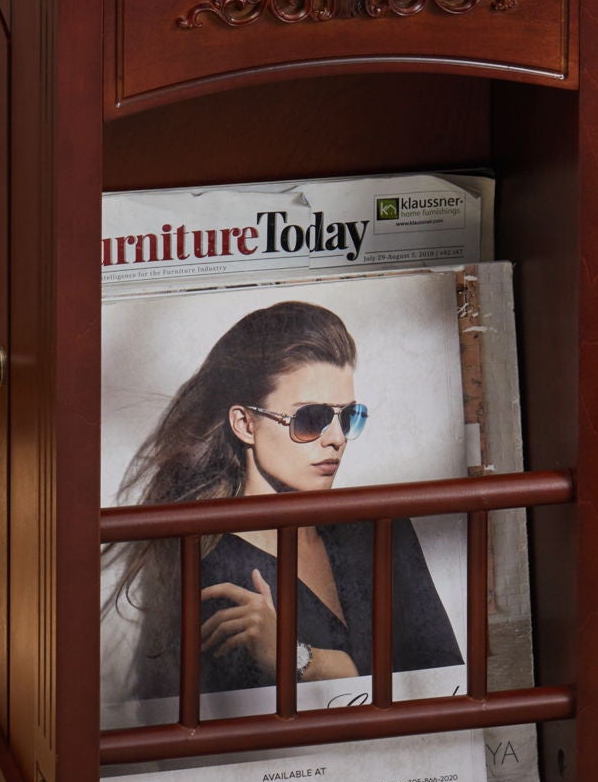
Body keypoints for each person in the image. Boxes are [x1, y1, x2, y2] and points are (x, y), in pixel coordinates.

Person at [104, 299, 462, 704]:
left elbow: (445, 679)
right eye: (310, 418)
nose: (336, 438)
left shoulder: (381, 528)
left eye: (348, 417)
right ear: (245, 424)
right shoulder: (210, 564)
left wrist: (301, 659)